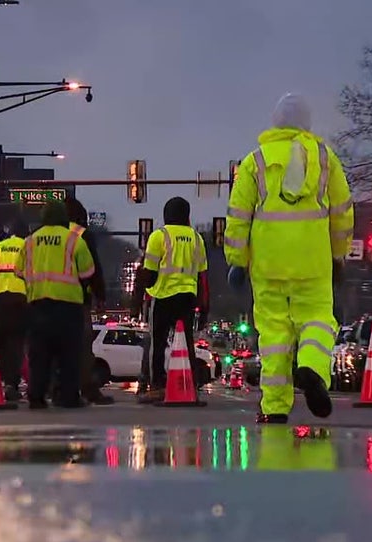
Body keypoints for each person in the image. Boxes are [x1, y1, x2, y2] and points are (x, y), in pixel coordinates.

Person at [225, 93, 354, 423]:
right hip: (313, 262)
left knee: (273, 336)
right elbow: (342, 213)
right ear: (307, 124)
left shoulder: (255, 161)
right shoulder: (325, 158)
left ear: (275, 122)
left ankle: (275, 407)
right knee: (318, 320)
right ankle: (311, 367)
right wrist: (338, 255)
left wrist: (237, 259)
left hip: (268, 264)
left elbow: (238, 216)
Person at [15, 200, 95, 409]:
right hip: (68, 306)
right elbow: (88, 273)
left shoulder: (30, 241)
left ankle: (36, 396)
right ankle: (68, 397)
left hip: (37, 305)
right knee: (69, 354)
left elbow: (19, 271)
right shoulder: (74, 240)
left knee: (39, 355)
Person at [133, 196, 209, 403]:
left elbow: (149, 273)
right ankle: (191, 385)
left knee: (157, 344)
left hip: (163, 296)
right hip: (188, 297)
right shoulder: (197, 238)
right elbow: (203, 276)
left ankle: (157, 385)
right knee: (187, 343)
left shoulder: (159, 236)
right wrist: (204, 306)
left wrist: (139, 297)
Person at [65, 197, 114, 405]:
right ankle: (87, 388)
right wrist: (100, 295)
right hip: (76, 299)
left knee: (50, 346)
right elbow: (93, 269)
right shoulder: (81, 235)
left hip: (43, 299)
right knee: (83, 346)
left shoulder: (40, 235)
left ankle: (49, 388)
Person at [0, 216, 29, 401]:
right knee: (16, 344)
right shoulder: (28, 247)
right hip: (20, 299)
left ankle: (0, 381)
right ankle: (12, 383)